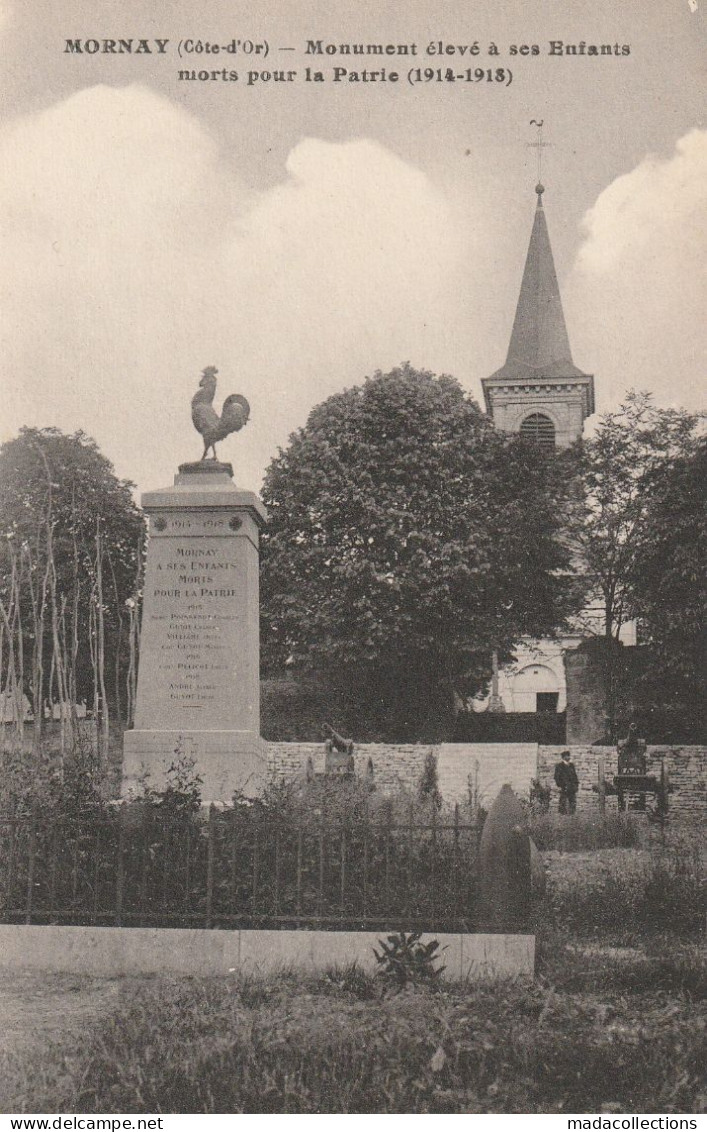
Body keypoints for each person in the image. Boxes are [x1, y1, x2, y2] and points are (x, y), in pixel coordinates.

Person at [554, 750, 579, 814]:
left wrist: (576, 785)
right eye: (567, 756)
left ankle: (572, 813)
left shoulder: (571, 765)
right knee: (563, 800)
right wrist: (560, 785)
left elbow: (575, 776)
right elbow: (556, 777)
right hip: (564, 786)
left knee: (572, 800)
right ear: (563, 757)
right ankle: (562, 814)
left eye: (569, 756)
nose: (568, 757)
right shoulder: (559, 766)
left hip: (572, 786)